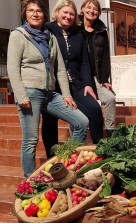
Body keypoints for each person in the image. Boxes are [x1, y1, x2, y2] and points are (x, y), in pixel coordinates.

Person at [7, 0, 89, 177]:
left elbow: (59, 68)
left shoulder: (49, 36)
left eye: (38, 11)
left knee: (81, 122)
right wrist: (21, 96)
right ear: (25, 14)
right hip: (30, 92)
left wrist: (66, 94)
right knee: (31, 139)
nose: (35, 14)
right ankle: (29, 180)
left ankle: (66, 164)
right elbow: (12, 68)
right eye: (31, 11)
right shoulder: (18, 35)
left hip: (50, 93)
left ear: (44, 14)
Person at [42, 0, 104, 158]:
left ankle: (99, 149)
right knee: (50, 120)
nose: (68, 16)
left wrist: (88, 85)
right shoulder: (48, 28)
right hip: (54, 85)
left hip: (75, 83)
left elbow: (84, 61)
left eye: (71, 14)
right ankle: (52, 158)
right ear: (57, 12)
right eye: (65, 12)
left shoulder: (77, 33)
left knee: (95, 109)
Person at [79, 0, 116, 137]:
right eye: (88, 7)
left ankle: (111, 132)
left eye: (95, 9)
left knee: (110, 98)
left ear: (99, 13)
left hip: (97, 76)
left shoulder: (101, 30)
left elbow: (106, 55)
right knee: (82, 104)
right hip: (80, 76)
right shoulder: (75, 28)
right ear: (82, 9)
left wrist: (105, 78)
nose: (92, 11)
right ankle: (78, 138)